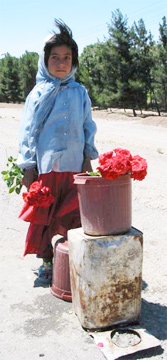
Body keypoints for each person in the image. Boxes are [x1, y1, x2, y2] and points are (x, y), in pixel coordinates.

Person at [17, 19, 98, 284]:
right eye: (55, 57)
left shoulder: (80, 92)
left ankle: (70, 258)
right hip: (47, 167)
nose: (61, 62)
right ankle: (47, 262)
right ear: (45, 60)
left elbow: (88, 126)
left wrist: (88, 156)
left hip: (74, 166)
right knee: (44, 215)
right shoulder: (38, 94)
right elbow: (28, 132)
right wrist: (28, 166)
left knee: (73, 214)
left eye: (67, 57)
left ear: (74, 61)